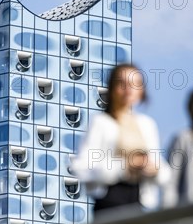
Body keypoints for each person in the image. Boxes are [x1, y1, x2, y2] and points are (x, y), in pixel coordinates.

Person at [72, 63, 171, 213]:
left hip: (140, 201)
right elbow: (81, 167)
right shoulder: (100, 122)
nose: (128, 90)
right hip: (110, 200)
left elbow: (163, 171)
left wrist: (153, 169)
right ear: (112, 88)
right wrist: (124, 167)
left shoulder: (147, 124)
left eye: (134, 84)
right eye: (122, 84)